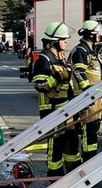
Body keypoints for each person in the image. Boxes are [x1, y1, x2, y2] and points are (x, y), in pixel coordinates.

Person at [31, 22, 82, 177]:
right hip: (52, 111)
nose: (66, 41)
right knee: (56, 145)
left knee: (72, 141)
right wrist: (58, 76)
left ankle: (73, 172)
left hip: (65, 110)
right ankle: (55, 175)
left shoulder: (60, 58)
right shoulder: (44, 59)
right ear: (53, 41)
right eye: (63, 39)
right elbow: (40, 85)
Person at [68, 20, 102, 162]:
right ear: (91, 35)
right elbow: (78, 71)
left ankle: (91, 157)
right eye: (98, 34)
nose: (100, 37)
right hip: (87, 98)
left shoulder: (91, 51)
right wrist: (87, 90)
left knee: (94, 127)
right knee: (89, 129)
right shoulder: (81, 51)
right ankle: (89, 159)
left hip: (95, 98)